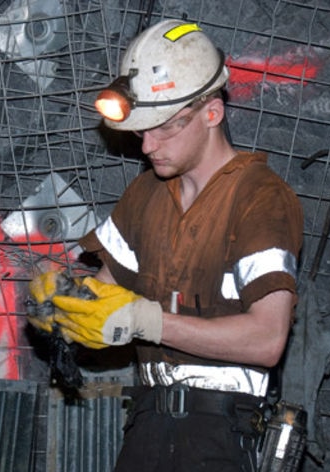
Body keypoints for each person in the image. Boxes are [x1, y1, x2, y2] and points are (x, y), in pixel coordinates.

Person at [28, 18, 304, 472]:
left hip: (222, 431)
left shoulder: (260, 197)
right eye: (140, 130)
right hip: (148, 422)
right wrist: (60, 309)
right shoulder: (145, 194)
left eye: (164, 128)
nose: (147, 145)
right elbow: (104, 302)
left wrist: (146, 320)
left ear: (211, 113)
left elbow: (268, 339)